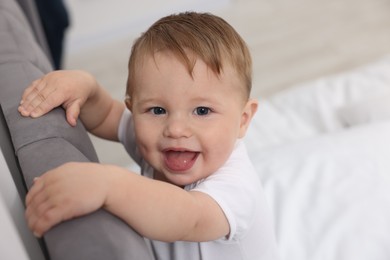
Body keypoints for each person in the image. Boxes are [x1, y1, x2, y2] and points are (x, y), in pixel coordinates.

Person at [18, 12, 278, 259]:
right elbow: (108, 114)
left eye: (202, 110)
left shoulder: (236, 186)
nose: (175, 129)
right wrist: (86, 88)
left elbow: (188, 217)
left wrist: (109, 184)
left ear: (243, 120)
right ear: (134, 108)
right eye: (157, 109)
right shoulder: (154, 141)